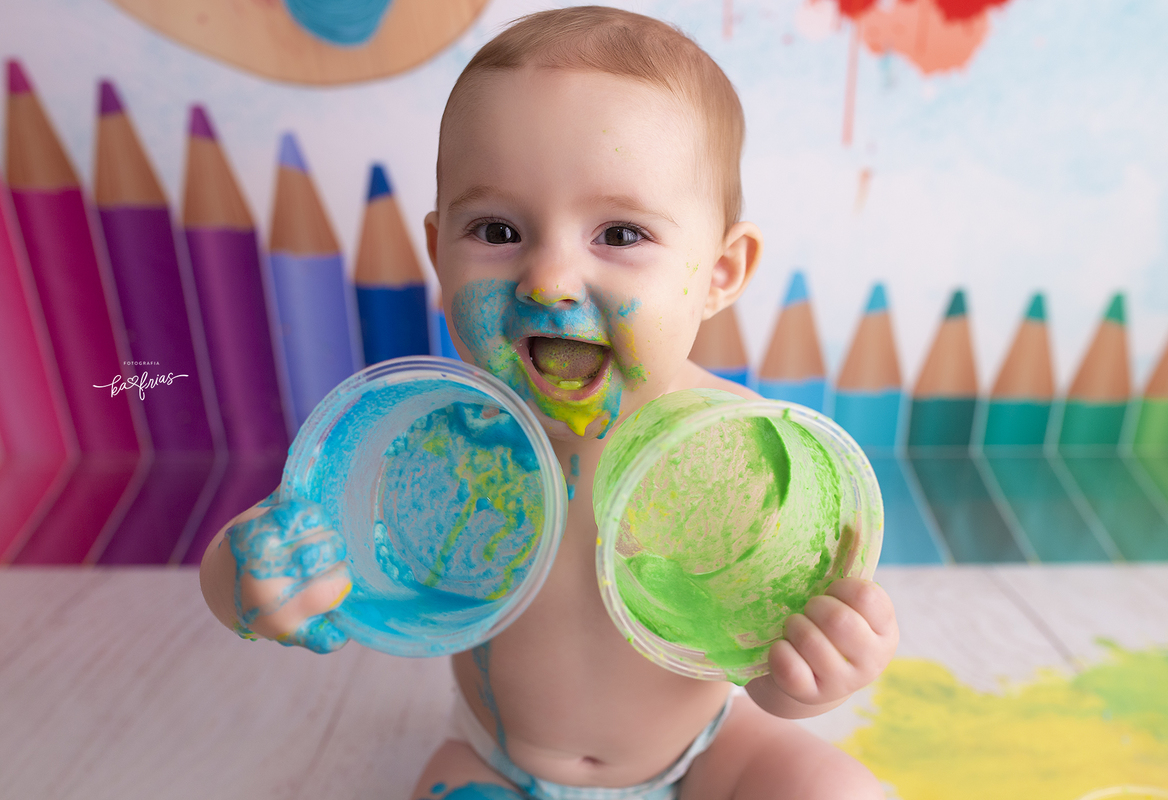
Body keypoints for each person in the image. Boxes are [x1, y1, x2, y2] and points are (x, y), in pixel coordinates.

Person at [199, 7, 898, 798]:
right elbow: (292, 539)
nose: (550, 280)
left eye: (620, 235)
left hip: (706, 755)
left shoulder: (745, 456)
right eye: (498, 231)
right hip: (498, 763)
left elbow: (761, 668)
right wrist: (251, 580)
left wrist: (813, 675)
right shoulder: (427, 441)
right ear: (438, 251)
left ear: (720, 273)